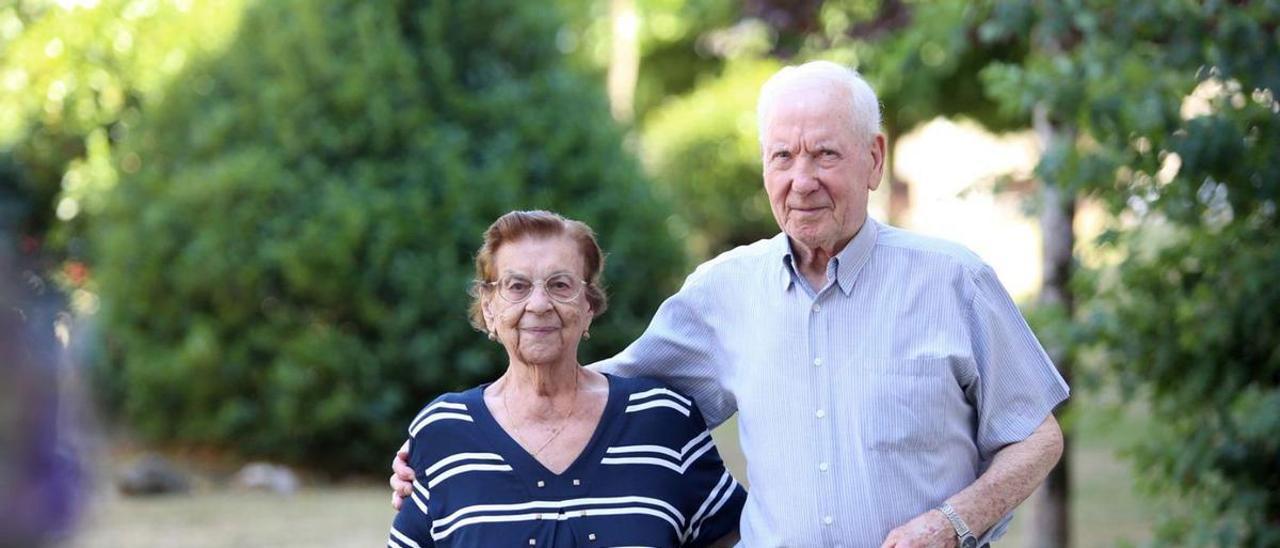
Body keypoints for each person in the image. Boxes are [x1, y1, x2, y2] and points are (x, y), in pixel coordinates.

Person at [393, 61, 1068, 547]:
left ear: (873, 158)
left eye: (825, 155)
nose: (801, 181)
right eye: (782, 157)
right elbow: (603, 389)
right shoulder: (723, 291)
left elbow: (1036, 436)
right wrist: (460, 443)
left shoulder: (954, 281)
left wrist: (951, 524)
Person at [386, 210, 744, 548]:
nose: (539, 304)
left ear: (588, 306)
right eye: (517, 286)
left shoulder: (663, 419)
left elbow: (738, 535)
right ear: (489, 307)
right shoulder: (444, 430)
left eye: (560, 285)